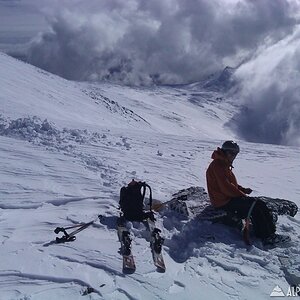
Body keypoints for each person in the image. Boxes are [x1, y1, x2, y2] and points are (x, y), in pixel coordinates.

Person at [206, 140, 280, 245]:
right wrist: (242, 195)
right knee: (254, 206)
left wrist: (242, 189)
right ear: (225, 152)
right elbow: (226, 187)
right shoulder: (218, 165)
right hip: (222, 202)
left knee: (258, 203)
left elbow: (229, 184)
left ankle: (269, 232)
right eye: (231, 153)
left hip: (226, 198)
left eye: (235, 154)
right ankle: (267, 236)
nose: (233, 156)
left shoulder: (223, 163)